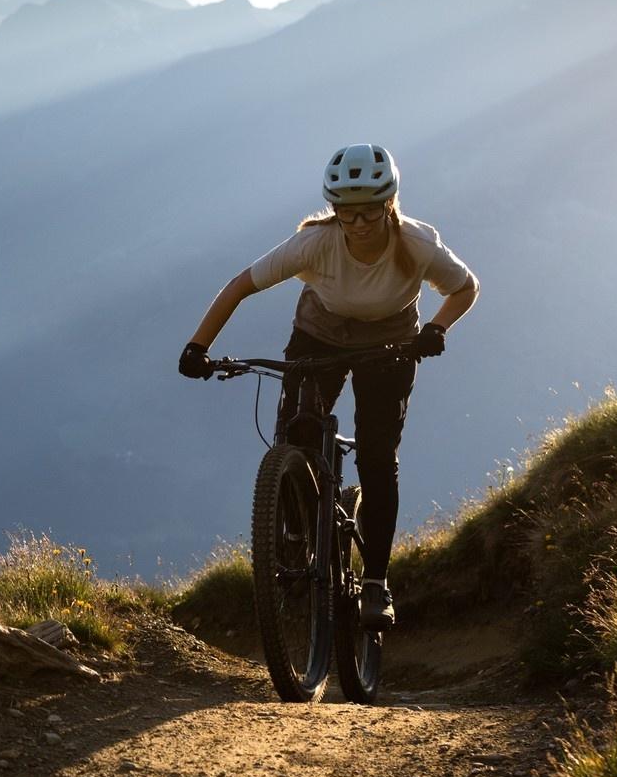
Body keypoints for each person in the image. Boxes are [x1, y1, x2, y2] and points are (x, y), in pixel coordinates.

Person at [176, 144, 479, 629]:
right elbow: (240, 286)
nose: (356, 224)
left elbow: (465, 287)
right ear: (333, 209)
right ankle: (297, 529)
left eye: (368, 212)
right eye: (345, 213)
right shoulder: (313, 244)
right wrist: (197, 346)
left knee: (377, 456)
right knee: (295, 431)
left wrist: (437, 329)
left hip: (393, 344)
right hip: (320, 334)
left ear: (389, 205)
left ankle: (377, 584)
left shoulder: (416, 244)